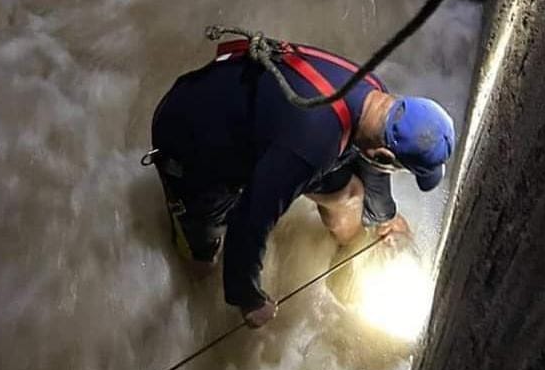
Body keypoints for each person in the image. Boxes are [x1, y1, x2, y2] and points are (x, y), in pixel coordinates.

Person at [147, 37, 455, 328]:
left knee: (348, 194)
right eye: (400, 168)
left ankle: (348, 261)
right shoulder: (311, 147)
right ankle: (195, 257)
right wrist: (248, 298)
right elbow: (250, 218)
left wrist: (384, 217)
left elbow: (370, 162)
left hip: (258, 115)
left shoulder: (376, 94)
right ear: (385, 154)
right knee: (203, 261)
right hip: (189, 138)